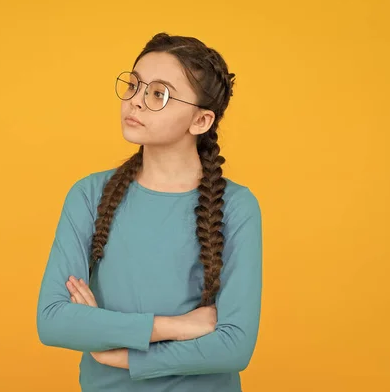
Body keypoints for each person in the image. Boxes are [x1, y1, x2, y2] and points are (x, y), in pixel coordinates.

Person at [36, 32, 263, 392]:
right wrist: (177, 326)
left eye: (159, 94)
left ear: (201, 121)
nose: (135, 102)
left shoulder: (236, 206)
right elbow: (52, 321)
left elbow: (234, 347)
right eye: (134, 85)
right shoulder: (89, 195)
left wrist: (120, 352)